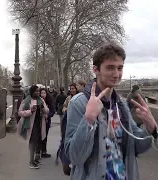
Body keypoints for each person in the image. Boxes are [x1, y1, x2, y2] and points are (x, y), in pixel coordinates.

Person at [65, 42, 158, 180]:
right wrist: (88, 121)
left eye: (120, 68)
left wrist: (152, 129)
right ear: (96, 69)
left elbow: (137, 146)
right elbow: (75, 157)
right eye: (110, 68)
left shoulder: (121, 105)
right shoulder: (79, 103)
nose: (116, 74)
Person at [17, 85, 49, 169]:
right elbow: (19, 112)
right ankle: (31, 161)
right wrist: (30, 111)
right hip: (31, 125)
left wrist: (42, 107)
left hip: (40, 124)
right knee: (32, 142)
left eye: (38, 91)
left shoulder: (41, 100)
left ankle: (35, 159)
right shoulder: (26, 100)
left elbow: (47, 111)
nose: (38, 93)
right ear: (32, 92)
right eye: (36, 91)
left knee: (39, 140)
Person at [39, 88, 55, 158]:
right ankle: (38, 151)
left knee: (45, 136)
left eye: (44, 93)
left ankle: (43, 151)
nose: (43, 95)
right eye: (41, 93)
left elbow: (52, 111)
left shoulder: (49, 101)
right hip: (38, 122)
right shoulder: (37, 101)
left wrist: (48, 115)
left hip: (46, 121)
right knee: (38, 136)